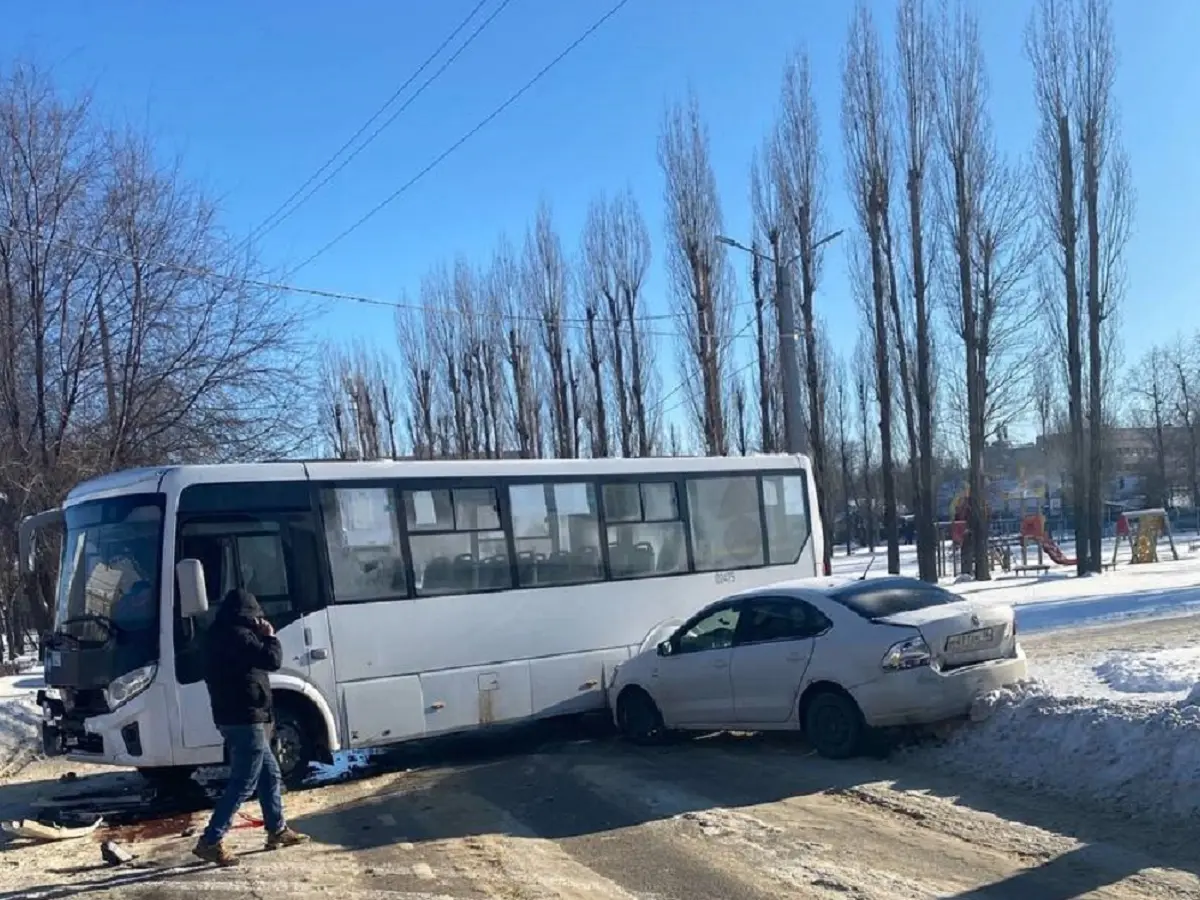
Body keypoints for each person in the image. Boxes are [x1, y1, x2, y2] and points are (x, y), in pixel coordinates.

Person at [193, 588, 309, 866]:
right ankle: (211, 840)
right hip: (247, 718)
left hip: (231, 717)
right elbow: (272, 660)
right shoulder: (240, 636)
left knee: (269, 775)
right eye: (255, 615)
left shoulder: (216, 635)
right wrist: (269, 636)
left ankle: (277, 829)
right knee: (243, 782)